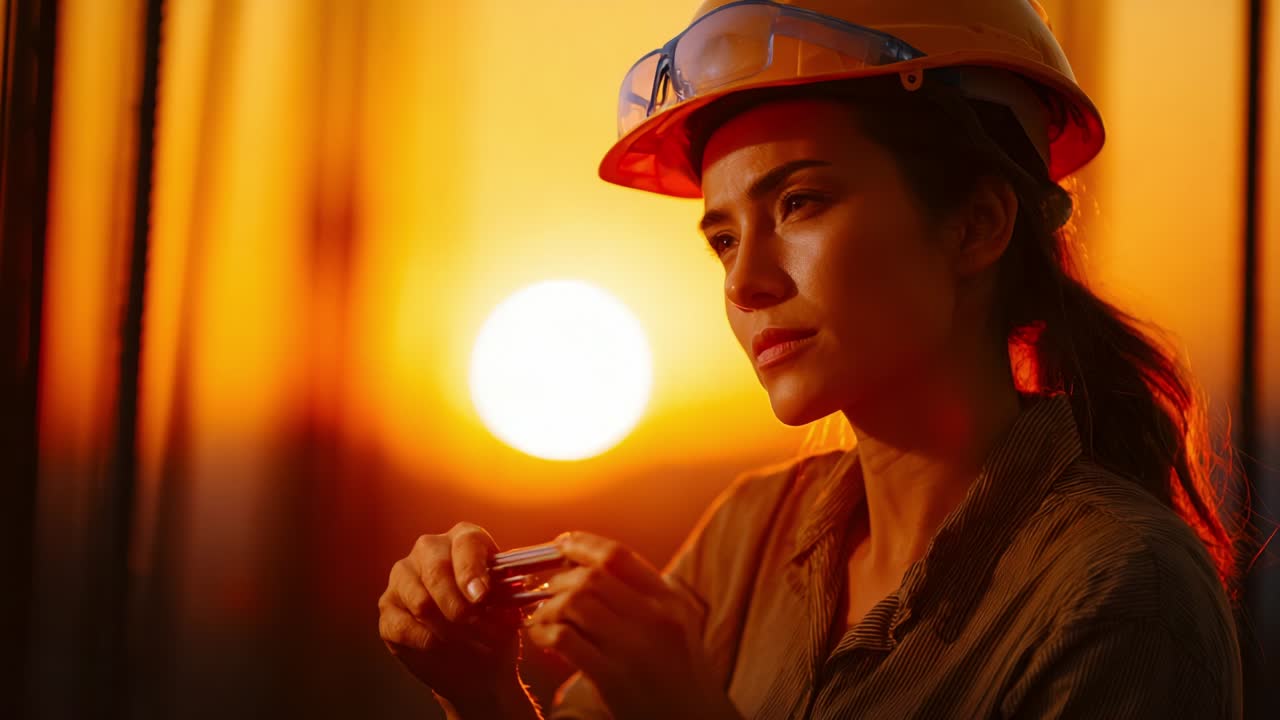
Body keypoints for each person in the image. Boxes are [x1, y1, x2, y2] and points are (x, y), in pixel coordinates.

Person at [377, 1, 1245, 717]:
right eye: (722, 239)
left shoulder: (1121, 596)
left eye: (800, 203)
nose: (746, 282)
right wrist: (482, 687)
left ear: (978, 224)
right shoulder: (752, 536)